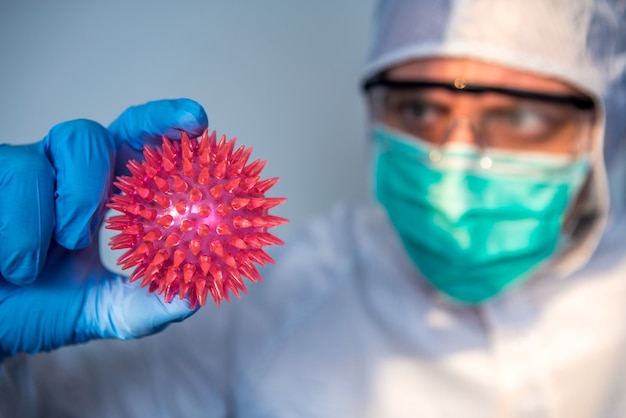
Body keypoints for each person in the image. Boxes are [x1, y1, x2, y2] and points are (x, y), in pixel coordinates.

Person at [1, 0, 625, 416]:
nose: (454, 161)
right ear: (375, 114)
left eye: (519, 115)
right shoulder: (280, 297)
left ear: (605, 125)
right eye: (420, 108)